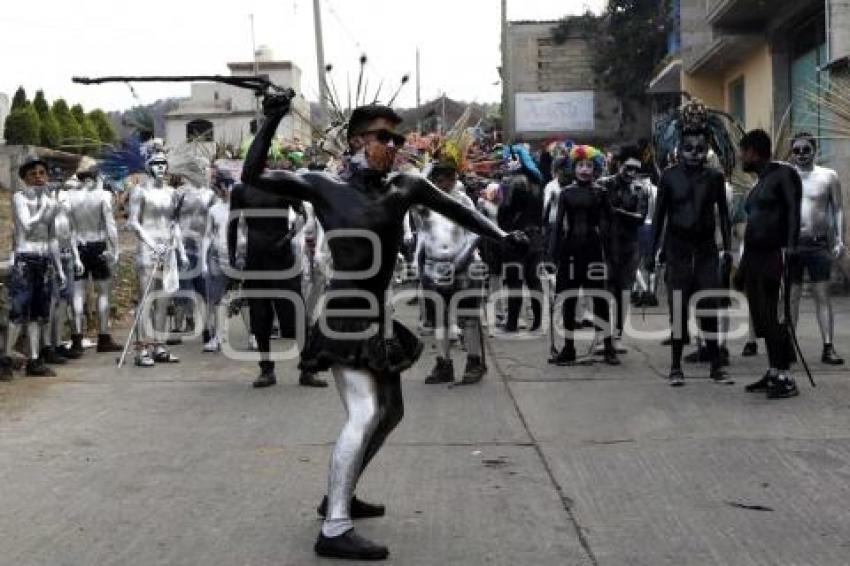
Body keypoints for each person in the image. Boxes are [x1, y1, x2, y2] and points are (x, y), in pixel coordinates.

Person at [242, 95, 527, 560]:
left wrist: (501, 236)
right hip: (342, 315)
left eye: (397, 138)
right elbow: (253, 176)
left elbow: (459, 211)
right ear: (356, 141)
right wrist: (272, 118)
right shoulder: (323, 186)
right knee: (364, 412)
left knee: (391, 412)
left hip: (376, 315)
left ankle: (340, 492)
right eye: (383, 137)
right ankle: (334, 528)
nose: (393, 145)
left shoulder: (405, 186)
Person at [651, 101, 733, 387]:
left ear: (707, 148)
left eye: (700, 150)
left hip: (707, 249)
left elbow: (723, 214)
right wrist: (653, 254)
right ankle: (675, 366)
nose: (694, 155)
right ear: (679, 148)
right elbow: (659, 216)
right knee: (678, 307)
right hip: (677, 250)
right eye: (689, 149)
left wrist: (729, 249)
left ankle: (715, 365)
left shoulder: (715, 177)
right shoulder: (669, 177)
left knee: (709, 306)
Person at [228, 178, 326, 389]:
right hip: (256, 259)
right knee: (260, 315)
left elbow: (303, 214)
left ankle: (308, 368)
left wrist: (288, 237)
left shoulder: (282, 185)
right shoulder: (240, 190)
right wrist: (232, 262)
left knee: (295, 313)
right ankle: (266, 368)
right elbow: (233, 225)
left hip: (282, 258)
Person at [738, 129, 802, 398]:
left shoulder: (784, 174)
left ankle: (786, 377)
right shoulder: (759, 182)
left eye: (743, 152)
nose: (741, 157)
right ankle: (774, 370)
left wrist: (789, 249)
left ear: (753, 152)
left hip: (775, 255)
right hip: (754, 257)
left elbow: (793, 211)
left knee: (774, 315)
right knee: (761, 317)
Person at [415, 161, 487, 385]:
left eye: (450, 177)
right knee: (439, 320)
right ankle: (443, 363)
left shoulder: (463, 201)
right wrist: (426, 171)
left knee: (468, 318)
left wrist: (458, 262)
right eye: (439, 178)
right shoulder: (424, 204)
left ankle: (474, 361)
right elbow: (414, 200)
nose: (445, 182)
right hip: (433, 267)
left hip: (463, 267)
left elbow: (475, 232)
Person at [549, 145, 620, 366]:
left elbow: (610, 225)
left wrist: (611, 255)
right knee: (568, 300)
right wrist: (552, 256)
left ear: (595, 168)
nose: (585, 170)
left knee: (600, 299)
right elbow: (558, 226)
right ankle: (568, 348)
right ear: (574, 167)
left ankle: (608, 347)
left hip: (593, 250)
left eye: (589, 166)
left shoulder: (601, 192)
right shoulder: (565, 193)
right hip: (570, 251)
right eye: (581, 165)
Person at [5, 156, 66, 378]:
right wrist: (44, 206)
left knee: (38, 315)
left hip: (43, 260)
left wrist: (58, 267)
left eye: (42, 173)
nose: (39, 178)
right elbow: (28, 225)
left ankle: (34, 360)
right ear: (25, 179)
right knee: (18, 312)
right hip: (25, 259)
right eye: (33, 174)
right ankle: (5, 359)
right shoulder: (20, 198)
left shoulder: (50, 201)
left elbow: (52, 237)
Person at [788, 132, 845, 365]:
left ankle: (828, 346)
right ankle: (789, 346)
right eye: (797, 150)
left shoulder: (828, 176)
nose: (801, 154)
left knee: (822, 295)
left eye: (806, 149)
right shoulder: (785, 175)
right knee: (791, 297)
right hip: (792, 244)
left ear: (815, 150)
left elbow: (838, 208)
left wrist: (840, 239)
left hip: (818, 243)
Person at [127, 149, 187, 367]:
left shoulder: (173, 192)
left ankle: (159, 346)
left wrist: (179, 250)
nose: (161, 167)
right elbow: (133, 222)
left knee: (164, 301)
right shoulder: (139, 191)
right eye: (156, 163)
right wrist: (153, 244)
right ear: (148, 167)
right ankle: (141, 349)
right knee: (146, 300)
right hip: (148, 250)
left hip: (168, 251)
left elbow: (174, 224)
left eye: (164, 163)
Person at [66, 167, 121, 355]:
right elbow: (110, 226)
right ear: (96, 177)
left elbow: (69, 229)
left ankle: (76, 340)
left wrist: (73, 253)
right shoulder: (103, 195)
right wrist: (115, 250)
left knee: (77, 294)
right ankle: (103, 338)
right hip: (98, 246)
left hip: (78, 246)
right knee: (103, 292)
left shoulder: (69, 197)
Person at [598, 149, 649, 339]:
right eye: (628, 168)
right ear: (619, 165)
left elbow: (640, 218)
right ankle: (604, 334)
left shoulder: (640, 189)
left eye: (636, 170)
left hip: (629, 245)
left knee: (624, 289)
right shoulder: (604, 185)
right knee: (605, 287)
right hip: (607, 244)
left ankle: (618, 333)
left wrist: (615, 211)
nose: (632, 173)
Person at [498, 145, 544, 332]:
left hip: (516, 238)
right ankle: (538, 321)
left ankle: (512, 323)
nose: (506, 162)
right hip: (535, 237)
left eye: (508, 159)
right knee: (534, 280)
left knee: (514, 281)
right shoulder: (537, 182)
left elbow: (504, 212)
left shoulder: (512, 181)